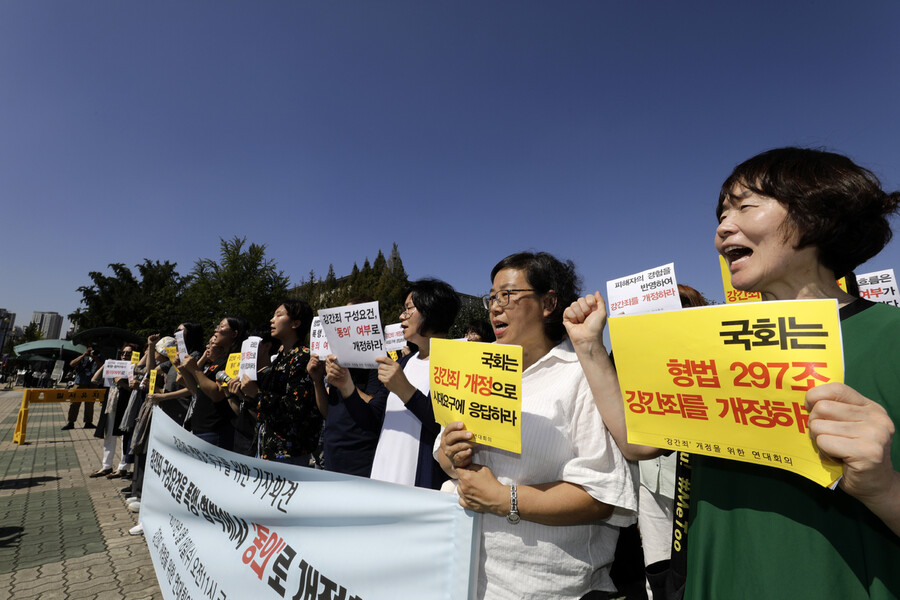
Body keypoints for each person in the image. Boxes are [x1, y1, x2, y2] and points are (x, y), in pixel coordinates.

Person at [567, 147, 900, 599]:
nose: (723, 228)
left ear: (818, 213)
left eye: (745, 206)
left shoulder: (890, 336)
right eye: (722, 214)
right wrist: (588, 347)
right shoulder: (706, 342)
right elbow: (638, 439)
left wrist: (883, 488)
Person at [439, 252, 637, 600]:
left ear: (548, 302)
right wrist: (452, 455)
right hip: (471, 574)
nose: (495, 307)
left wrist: (506, 499)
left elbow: (603, 496)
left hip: (549, 587)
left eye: (508, 295)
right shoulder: (476, 374)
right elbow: (450, 465)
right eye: (492, 297)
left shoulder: (580, 374)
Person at [332, 279, 460, 489]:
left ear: (432, 310)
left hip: (420, 486)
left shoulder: (456, 363)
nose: (402, 316)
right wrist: (346, 386)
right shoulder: (403, 363)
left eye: (409, 309)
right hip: (384, 478)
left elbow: (446, 428)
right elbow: (372, 421)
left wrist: (406, 391)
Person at [230, 300, 322, 465]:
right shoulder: (281, 359)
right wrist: (244, 394)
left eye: (279, 315)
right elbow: (264, 408)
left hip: (288, 454)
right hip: (267, 448)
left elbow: (295, 408)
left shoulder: (303, 357)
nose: (272, 320)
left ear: (295, 323)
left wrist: (256, 394)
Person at [308, 296, 381, 477]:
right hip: (333, 449)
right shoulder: (338, 359)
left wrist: (346, 383)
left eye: (349, 316)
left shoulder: (378, 360)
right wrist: (317, 380)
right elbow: (327, 412)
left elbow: (375, 407)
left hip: (361, 454)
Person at [178, 316, 248, 451]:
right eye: (217, 326)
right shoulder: (219, 360)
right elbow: (197, 390)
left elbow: (217, 395)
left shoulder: (235, 359)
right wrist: (184, 369)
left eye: (221, 327)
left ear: (234, 334)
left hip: (215, 431)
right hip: (201, 428)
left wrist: (195, 369)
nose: (216, 331)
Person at [62, 346, 99, 429]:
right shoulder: (83, 357)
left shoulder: (99, 357)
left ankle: (88, 422)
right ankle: (70, 422)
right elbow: (72, 364)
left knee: (90, 404)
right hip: (80, 382)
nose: (93, 353)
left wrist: (96, 358)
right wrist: (83, 355)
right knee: (74, 403)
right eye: (91, 351)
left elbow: (102, 367)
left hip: (92, 383)